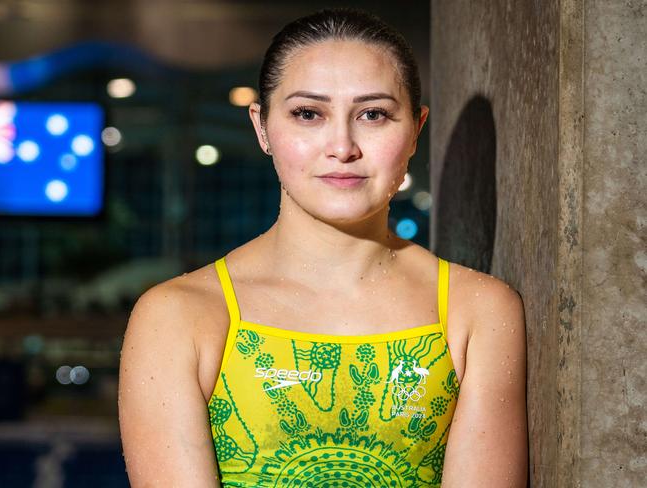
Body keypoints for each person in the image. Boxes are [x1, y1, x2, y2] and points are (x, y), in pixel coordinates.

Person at [119, 7, 528, 487]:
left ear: (416, 129)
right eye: (308, 114)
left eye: (373, 114)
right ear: (262, 127)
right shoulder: (179, 316)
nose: (342, 146)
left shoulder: (475, 311)